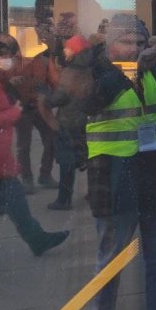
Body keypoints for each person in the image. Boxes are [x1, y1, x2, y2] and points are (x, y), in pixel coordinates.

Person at [85, 13, 156, 310]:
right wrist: (132, 70)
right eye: (127, 41)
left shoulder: (151, 71)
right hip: (112, 174)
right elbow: (88, 102)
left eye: (140, 42)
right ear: (109, 44)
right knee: (111, 259)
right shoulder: (96, 70)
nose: (135, 48)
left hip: (150, 172)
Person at [0, 39, 69, 255]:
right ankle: (37, 239)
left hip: (0, 158)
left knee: (16, 202)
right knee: (16, 200)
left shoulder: (1, 78)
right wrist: (15, 111)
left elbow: (53, 81)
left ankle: (37, 239)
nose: (7, 59)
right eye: (2, 56)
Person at [41, 34, 92, 210]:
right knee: (87, 157)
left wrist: (47, 100)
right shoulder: (89, 69)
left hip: (68, 120)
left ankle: (64, 200)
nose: (64, 50)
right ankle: (93, 193)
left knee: (66, 161)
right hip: (84, 119)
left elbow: (61, 96)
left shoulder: (71, 72)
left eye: (68, 47)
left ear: (75, 50)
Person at [12, 21, 58, 193]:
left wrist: (52, 98)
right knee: (23, 146)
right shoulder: (13, 62)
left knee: (51, 140)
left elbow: (55, 83)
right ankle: (27, 179)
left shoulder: (45, 61)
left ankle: (45, 175)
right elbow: (3, 84)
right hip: (22, 108)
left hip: (41, 107)